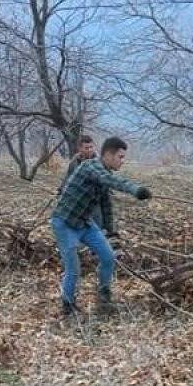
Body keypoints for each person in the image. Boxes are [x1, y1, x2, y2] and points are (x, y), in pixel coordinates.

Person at [51, 136, 152, 318]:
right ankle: (68, 304)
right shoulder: (91, 167)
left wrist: (110, 230)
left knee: (108, 258)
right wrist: (136, 190)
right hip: (65, 223)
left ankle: (104, 292)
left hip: (85, 223)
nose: (123, 161)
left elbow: (106, 205)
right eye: (120, 157)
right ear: (108, 155)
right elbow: (112, 181)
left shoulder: (103, 173)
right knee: (73, 269)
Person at [58, 135, 102, 227]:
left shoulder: (99, 162)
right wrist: (61, 189)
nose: (90, 150)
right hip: (77, 199)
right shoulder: (75, 160)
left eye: (91, 147)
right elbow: (68, 176)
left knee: (97, 224)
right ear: (80, 148)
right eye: (86, 148)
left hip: (94, 199)